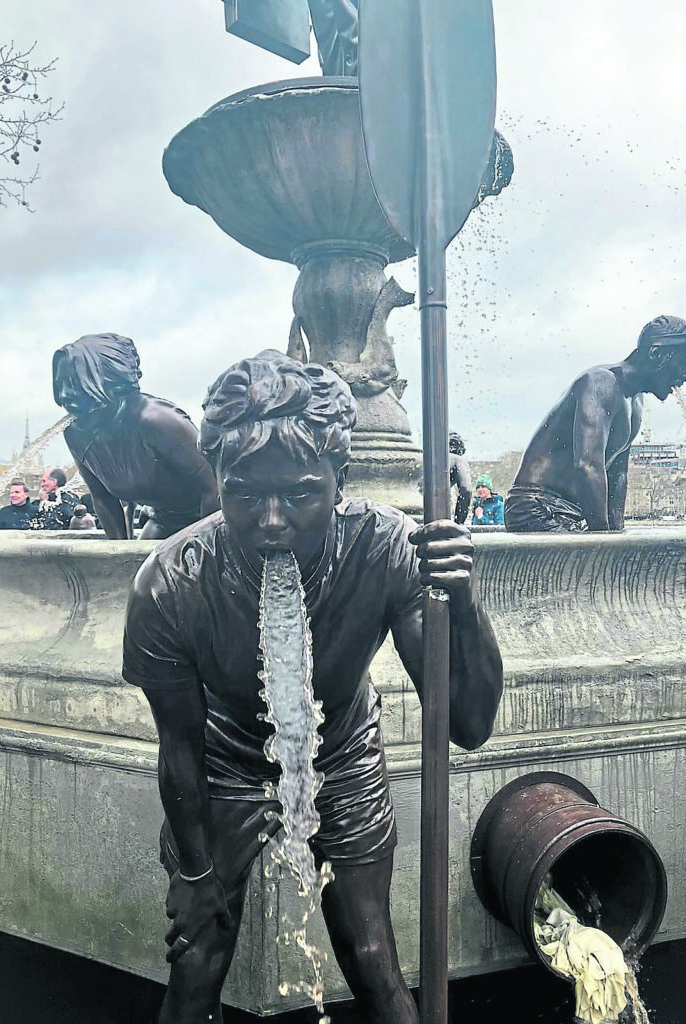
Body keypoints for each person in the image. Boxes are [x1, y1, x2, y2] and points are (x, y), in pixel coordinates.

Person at [122, 350, 503, 1024]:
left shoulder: (387, 548)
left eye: (300, 493)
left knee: (370, 951)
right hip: (223, 761)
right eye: (243, 492)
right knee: (196, 958)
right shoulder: (172, 582)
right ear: (216, 478)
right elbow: (179, 745)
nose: (272, 519)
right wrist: (192, 870)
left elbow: (468, 725)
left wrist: (464, 606)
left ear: (341, 479)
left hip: (342, 753)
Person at [505, 315, 686, 533]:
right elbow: (588, 465)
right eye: (685, 365)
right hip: (536, 507)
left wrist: (616, 532)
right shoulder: (600, 383)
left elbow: (618, 476)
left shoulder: (636, 403)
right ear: (656, 354)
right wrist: (603, 541)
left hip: (569, 510)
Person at [52, 334, 219, 539]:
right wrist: (119, 554)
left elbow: (215, 486)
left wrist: (208, 549)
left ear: (108, 380)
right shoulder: (76, 434)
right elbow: (102, 497)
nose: (64, 396)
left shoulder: (158, 421)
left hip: (217, 520)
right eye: (60, 385)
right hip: (164, 521)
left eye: (75, 384)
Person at [448, 431, 472, 525]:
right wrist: (458, 522)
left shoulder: (428, 459)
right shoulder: (457, 459)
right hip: (434, 512)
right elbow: (466, 490)